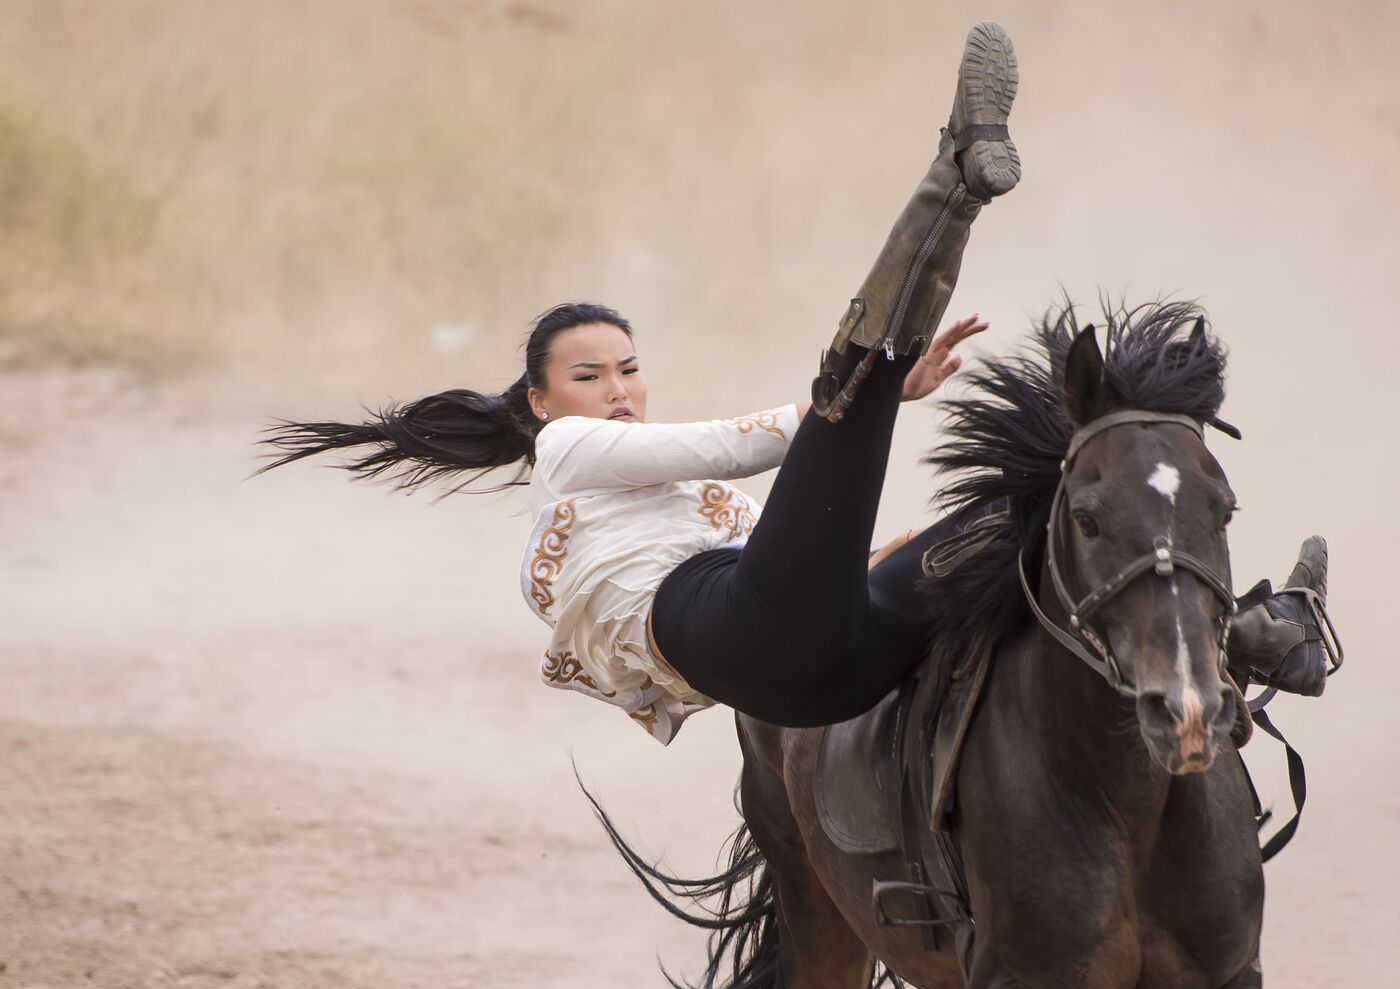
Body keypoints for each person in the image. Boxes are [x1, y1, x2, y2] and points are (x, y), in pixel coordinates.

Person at [263, 22, 1333, 745]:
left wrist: (888, 475)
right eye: (588, 376)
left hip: (832, 668)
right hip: (741, 643)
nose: (618, 392)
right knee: (847, 379)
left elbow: (822, 556)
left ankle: (1234, 637)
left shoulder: (682, 512)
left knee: (1028, 528)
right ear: (541, 402)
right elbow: (732, 447)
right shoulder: (565, 452)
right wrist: (867, 402)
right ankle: (952, 178)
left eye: (629, 370)